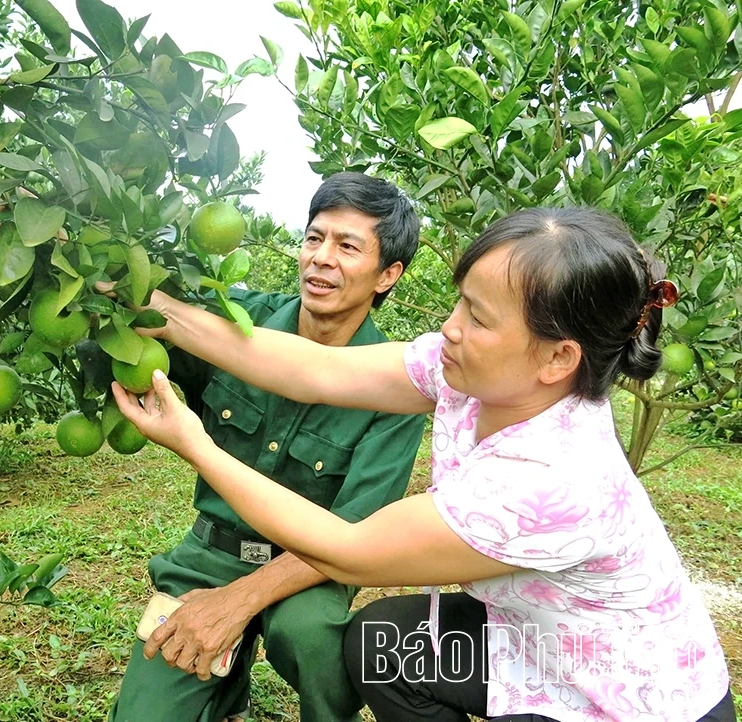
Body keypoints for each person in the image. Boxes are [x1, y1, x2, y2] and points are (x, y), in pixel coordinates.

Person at [112, 207, 736, 722]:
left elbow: (347, 549)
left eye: (479, 318)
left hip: (631, 699)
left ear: (557, 358)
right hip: (534, 639)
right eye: (461, 303)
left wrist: (196, 445)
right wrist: (161, 313)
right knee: (386, 644)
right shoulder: (472, 371)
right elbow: (314, 368)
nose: (450, 328)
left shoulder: (551, 480)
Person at [109, 172, 428, 722]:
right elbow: (142, 310)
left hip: (306, 569)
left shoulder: (396, 386)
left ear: (388, 274)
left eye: (347, 246)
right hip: (211, 554)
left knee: (309, 635)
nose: (320, 258)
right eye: (314, 238)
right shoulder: (236, 320)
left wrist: (238, 602)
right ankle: (222, 689)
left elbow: (356, 533)